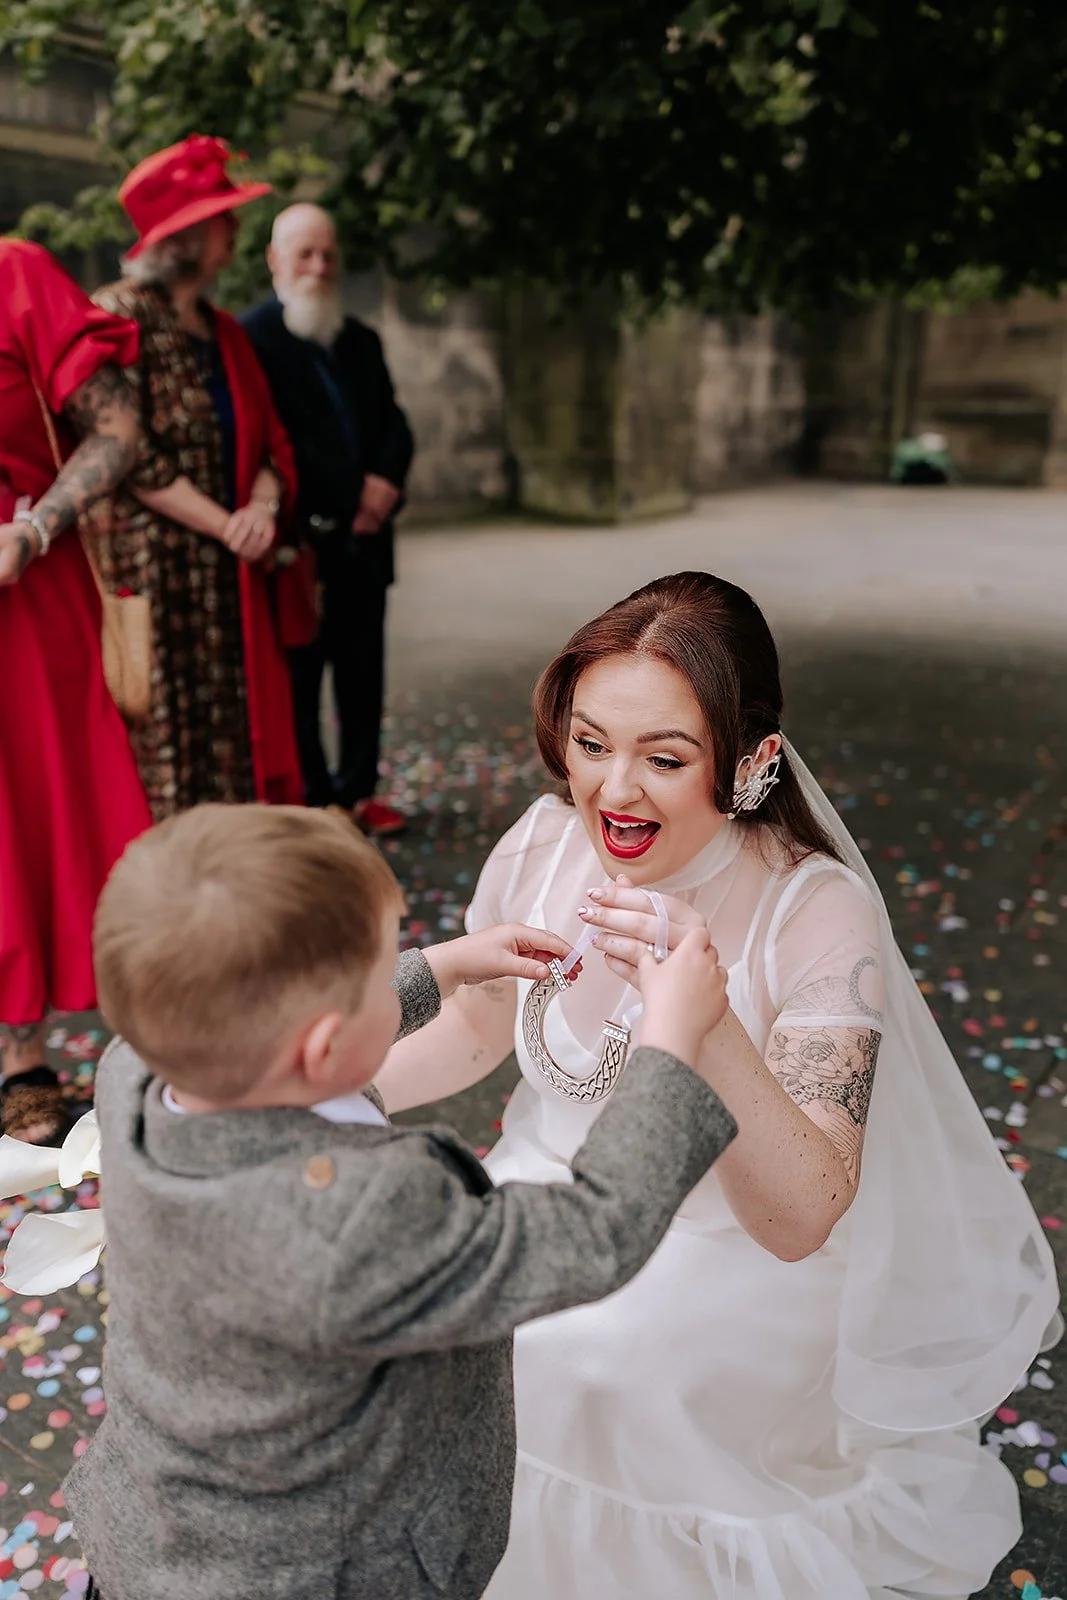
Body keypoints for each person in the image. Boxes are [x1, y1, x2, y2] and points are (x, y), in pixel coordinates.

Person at [375, 571, 1061, 1600]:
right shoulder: (543, 844)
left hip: (728, 1251)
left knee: (590, 1348)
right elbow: (474, 1029)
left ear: (751, 762)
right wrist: (301, 1093)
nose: (612, 791)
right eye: (590, 743)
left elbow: (800, 1217)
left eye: (663, 758)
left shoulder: (812, 909)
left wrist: (705, 1017)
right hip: (544, 1194)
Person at [63, 803, 737, 1600]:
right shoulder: (359, 1216)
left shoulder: (134, 1073)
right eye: (383, 967)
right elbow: (593, 1229)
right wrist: (670, 1038)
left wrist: (439, 968)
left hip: (150, 1540)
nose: (398, 970)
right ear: (321, 1046)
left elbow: (272, 1023)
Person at [91, 134, 304, 818]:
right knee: (166, 739)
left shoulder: (224, 331)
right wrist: (229, 526)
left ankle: (227, 866)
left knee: (229, 734)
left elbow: (268, 442)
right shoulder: (120, 317)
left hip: (225, 570)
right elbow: (127, 453)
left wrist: (261, 510)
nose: (234, 227)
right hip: (155, 569)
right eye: (221, 217)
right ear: (183, 238)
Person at [0, 238, 153, 1146]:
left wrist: (35, 528)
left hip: (21, 589)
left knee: (33, 812)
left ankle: (21, 1052)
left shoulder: (15, 274)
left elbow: (119, 429)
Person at [242, 203, 415, 835]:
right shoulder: (252, 339)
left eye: (328, 255)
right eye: (305, 254)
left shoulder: (358, 339)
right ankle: (317, 800)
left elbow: (394, 427)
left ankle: (359, 790)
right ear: (275, 259)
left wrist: (384, 486)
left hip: (367, 541)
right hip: (303, 543)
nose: (319, 267)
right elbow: (273, 443)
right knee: (301, 677)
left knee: (363, 672)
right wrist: (352, 497)